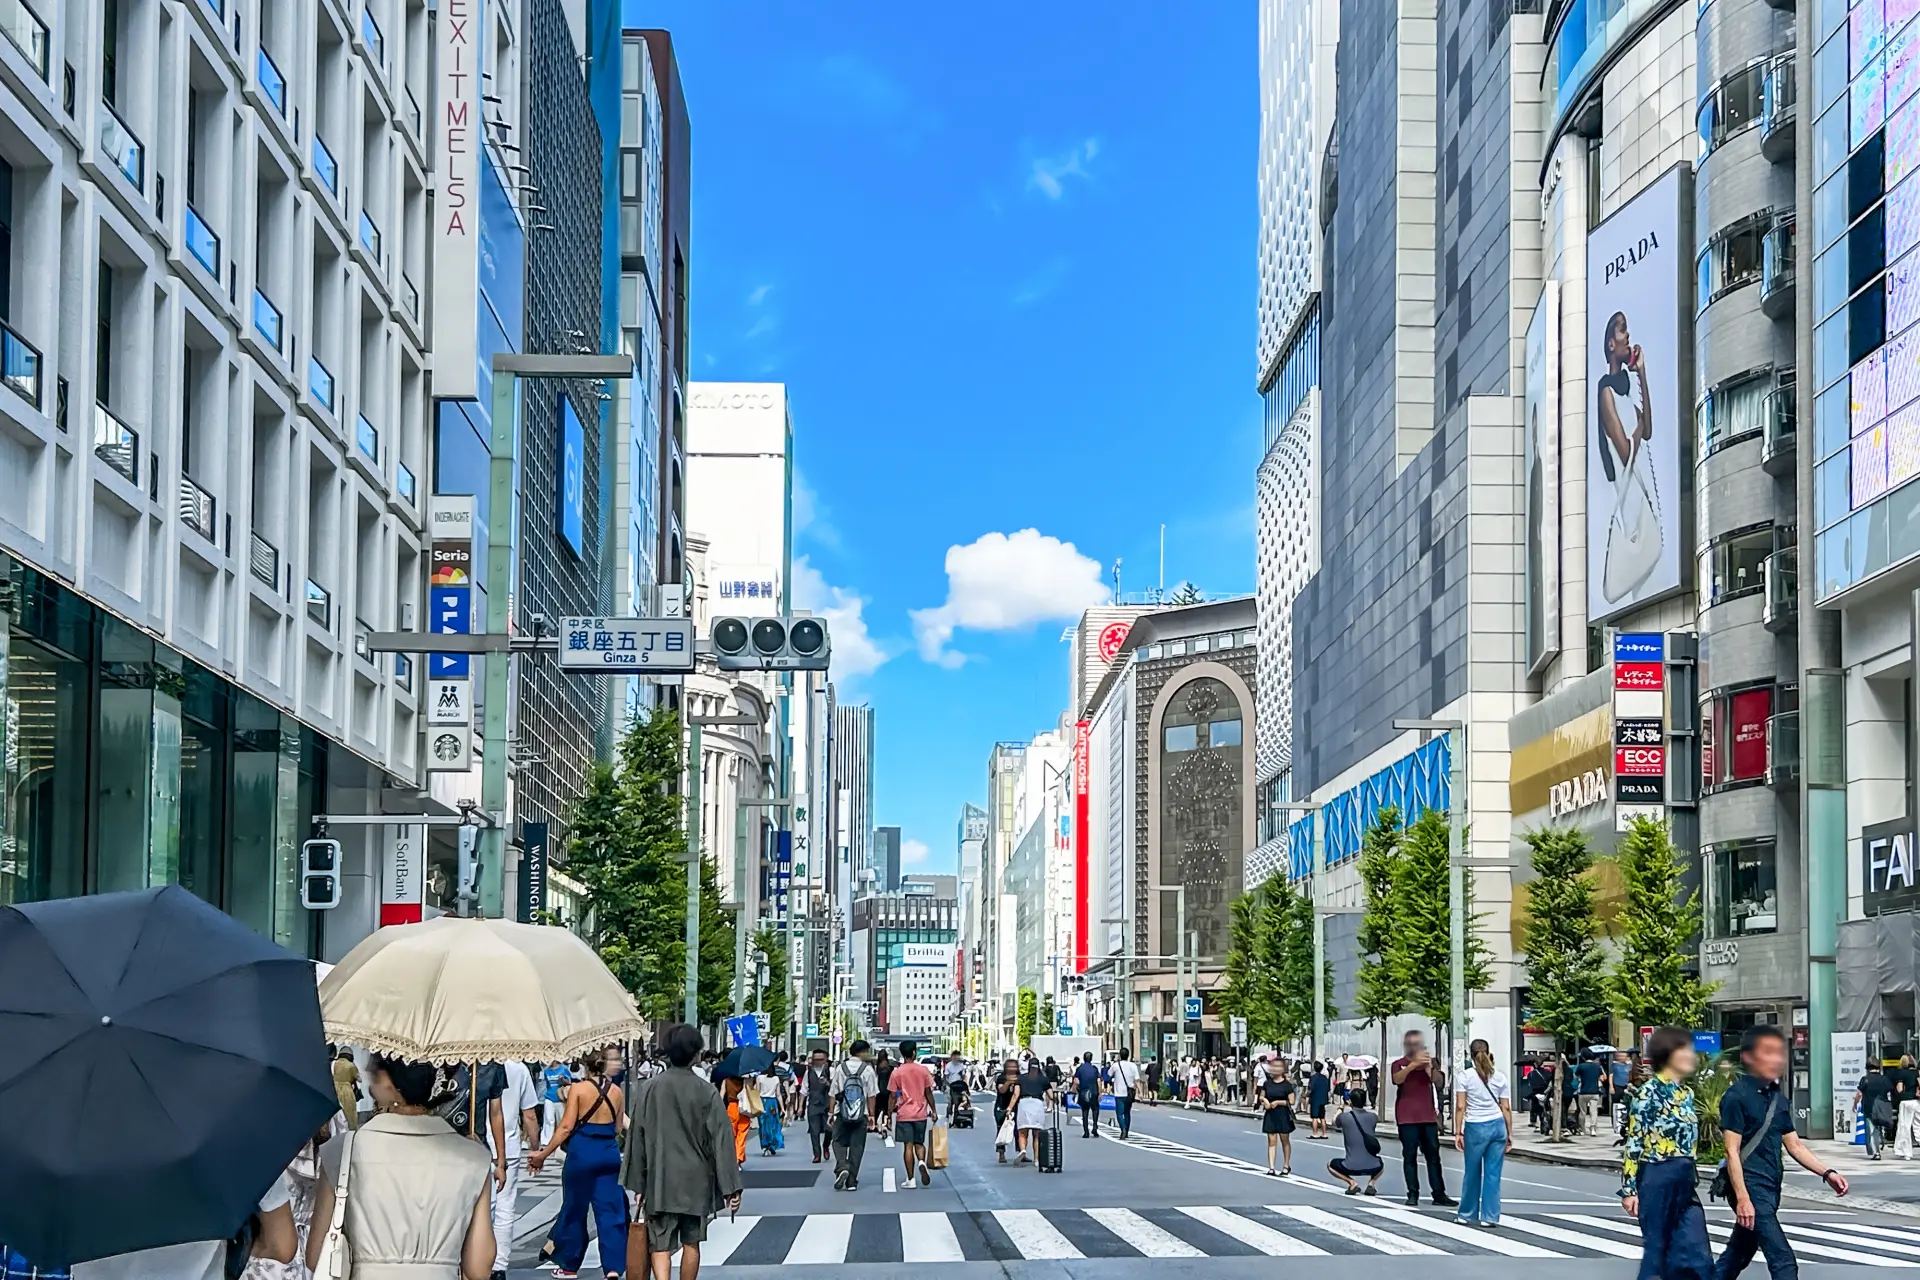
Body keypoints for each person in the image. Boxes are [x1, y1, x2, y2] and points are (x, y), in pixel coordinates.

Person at [303, 1054, 495, 1280]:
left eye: (372, 1074)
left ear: (387, 1082)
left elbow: (316, 1255)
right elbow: (478, 1269)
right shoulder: (473, 1158)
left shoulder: (342, 1151)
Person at [1716, 1025, 1849, 1280]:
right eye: (1767, 1052)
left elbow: (1795, 1145)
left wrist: (1828, 1172)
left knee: (1739, 1254)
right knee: (1783, 1261)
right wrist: (1743, 1198)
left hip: (1771, 1187)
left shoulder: (1777, 1099)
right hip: (1750, 1187)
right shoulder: (1736, 1097)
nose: (1776, 1059)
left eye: (1778, 1052)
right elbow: (1731, 1152)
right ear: (1748, 1057)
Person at [622, 1024, 743, 1280]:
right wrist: (731, 1186)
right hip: (696, 1177)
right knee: (692, 1242)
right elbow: (721, 1140)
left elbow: (638, 1136)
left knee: (660, 1241)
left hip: (660, 1176)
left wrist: (639, 1183)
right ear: (696, 1054)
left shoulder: (649, 1089)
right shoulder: (706, 1091)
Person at [1621, 1027, 1712, 1280]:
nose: (1692, 1056)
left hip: (1685, 1178)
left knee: (1698, 1255)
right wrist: (1629, 1190)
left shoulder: (1687, 1095)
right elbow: (1635, 1141)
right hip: (1657, 1175)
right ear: (1669, 1055)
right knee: (1657, 1255)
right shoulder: (1648, 1093)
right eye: (1686, 1051)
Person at [529, 1050, 628, 1280]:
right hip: (608, 1153)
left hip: (581, 1153)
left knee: (575, 1209)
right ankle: (612, 1268)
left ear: (585, 1065)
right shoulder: (616, 1091)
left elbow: (565, 1127)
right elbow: (617, 1127)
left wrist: (543, 1154)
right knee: (610, 1212)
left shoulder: (578, 1089)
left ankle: (570, 1266)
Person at [1451, 1038, 1513, 1229]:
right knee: (1493, 1174)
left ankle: (1467, 1213)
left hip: (1476, 1127)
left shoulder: (1465, 1076)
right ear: (1489, 1051)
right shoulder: (1500, 1076)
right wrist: (1509, 1134)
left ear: (1470, 1054)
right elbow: (1506, 1108)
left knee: (1472, 1172)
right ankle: (1490, 1217)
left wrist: (1458, 1132)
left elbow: (1461, 1106)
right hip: (1497, 1126)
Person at [489, 1060, 542, 1280]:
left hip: (476, 1145)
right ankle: (499, 1266)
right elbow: (529, 1114)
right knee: (505, 1209)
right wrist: (535, 1148)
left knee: (481, 1209)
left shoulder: (473, 1063)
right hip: (508, 1147)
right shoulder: (519, 1068)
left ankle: (475, 1261)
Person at [1390, 1031, 1455, 1207]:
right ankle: (1412, 1193)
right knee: (1409, 1156)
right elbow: (1396, 1080)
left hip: (1427, 1117)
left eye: (1417, 1043)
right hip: (1406, 1117)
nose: (1414, 1046)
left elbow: (1439, 1083)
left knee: (1433, 1157)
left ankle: (1439, 1194)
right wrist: (1413, 1065)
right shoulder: (1399, 1064)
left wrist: (1428, 1068)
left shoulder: (1429, 1063)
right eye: (1410, 1043)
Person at [832, 1040, 879, 1190]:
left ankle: (842, 1166)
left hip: (842, 1112)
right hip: (861, 1114)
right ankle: (851, 1181)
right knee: (856, 1147)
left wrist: (830, 1112)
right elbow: (871, 1095)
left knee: (838, 1141)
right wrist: (872, 1116)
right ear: (862, 1052)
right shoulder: (868, 1070)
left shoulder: (840, 1068)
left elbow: (833, 1092)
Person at [891, 1040, 938, 1188]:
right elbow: (928, 1092)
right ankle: (922, 1162)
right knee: (919, 1143)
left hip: (904, 1114)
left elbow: (892, 1095)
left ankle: (910, 1179)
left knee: (908, 1146)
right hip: (920, 1113)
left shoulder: (897, 1072)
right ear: (913, 1052)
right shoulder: (923, 1070)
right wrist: (934, 1110)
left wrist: (887, 1113)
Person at [1328, 1087, 1384, 1195]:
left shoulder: (1344, 1117)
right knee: (1381, 1163)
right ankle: (1371, 1183)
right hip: (1373, 1166)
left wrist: (1340, 1108)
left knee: (1330, 1164)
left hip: (1350, 1166)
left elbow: (1333, 1122)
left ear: (1350, 1101)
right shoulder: (1373, 1117)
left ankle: (1352, 1182)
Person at [1258, 1056, 1297, 1176]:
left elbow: (1291, 1101)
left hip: (1283, 1114)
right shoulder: (1267, 1083)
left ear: (1282, 1069)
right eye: (1273, 1066)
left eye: (1278, 1066)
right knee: (1271, 1141)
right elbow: (1261, 1096)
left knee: (1284, 1140)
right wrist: (1265, 1101)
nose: (1275, 1069)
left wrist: (1278, 1102)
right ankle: (1271, 1167)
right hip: (1270, 1114)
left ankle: (1286, 1165)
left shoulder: (1287, 1085)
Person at [1013, 1054, 1052, 1164]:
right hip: (1037, 1104)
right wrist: (1056, 1100)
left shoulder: (1021, 1078)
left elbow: (1016, 1094)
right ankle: (1036, 1159)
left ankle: (1023, 1150)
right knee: (1037, 1134)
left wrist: (1009, 1108)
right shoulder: (1043, 1079)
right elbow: (1051, 1095)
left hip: (1024, 1104)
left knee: (1022, 1132)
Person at [1857, 1061, 1893, 1161]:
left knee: (1872, 1130)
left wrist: (1855, 1104)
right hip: (1882, 1107)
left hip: (1869, 1107)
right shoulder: (1884, 1079)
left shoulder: (1865, 1079)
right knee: (1879, 1128)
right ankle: (1880, 1144)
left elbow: (1859, 1094)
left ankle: (1876, 1152)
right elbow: (1890, 1092)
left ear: (1867, 1068)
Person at [803, 1048, 834, 1162]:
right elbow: (804, 1090)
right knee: (814, 1131)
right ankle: (817, 1154)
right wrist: (800, 1107)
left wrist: (827, 1083)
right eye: (815, 1059)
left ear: (826, 1059)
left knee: (829, 1129)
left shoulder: (831, 1071)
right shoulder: (809, 1072)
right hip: (813, 1104)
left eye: (821, 1059)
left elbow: (836, 1088)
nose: (818, 1062)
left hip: (828, 1104)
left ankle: (826, 1145)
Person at [1108, 1048, 1141, 1139]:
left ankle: (1123, 1129)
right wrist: (1140, 1092)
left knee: (1119, 1113)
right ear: (1128, 1055)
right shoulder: (1133, 1065)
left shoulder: (1116, 1065)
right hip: (1130, 1093)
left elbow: (1109, 1074)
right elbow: (1137, 1080)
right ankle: (1126, 1131)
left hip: (1119, 1093)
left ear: (1120, 1055)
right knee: (1127, 1113)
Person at [719, 1074, 751, 1169]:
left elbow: (721, 1094)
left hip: (731, 1107)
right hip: (744, 1107)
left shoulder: (726, 1080)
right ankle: (738, 1158)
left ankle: (730, 1158)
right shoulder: (745, 1080)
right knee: (742, 1134)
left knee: (731, 1135)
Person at [993, 1059, 1020, 1163]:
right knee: (1001, 1130)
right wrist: (1008, 1082)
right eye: (1010, 1066)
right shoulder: (1001, 1077)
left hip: (1015, 1106)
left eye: (1014, 1066)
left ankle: (1020, 1152)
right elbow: (1001, 1090)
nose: (1012, 1069)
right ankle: (1001, 1153)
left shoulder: (1020, 1077)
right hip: (1001, 1106)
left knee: (1018, 1131)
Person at [756, 1061, 786, 1157]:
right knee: (773, 1124)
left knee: (763, 1124)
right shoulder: (776, 1078)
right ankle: (773, 1144)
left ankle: (765, 1145)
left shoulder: (759, 1078)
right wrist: (782, 1107)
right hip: (773, 1103)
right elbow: (778, 1094)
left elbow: (757, 1092)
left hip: (762, 1102)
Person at [1073, 1051, 1103, 1137]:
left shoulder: (1080, 1068)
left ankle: (1086, 1131)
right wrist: (1100, 1093)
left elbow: (1076, 1081)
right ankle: (1094, 1127)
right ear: (1091, 1059)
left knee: (1085, 1112)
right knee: (1095, 1110)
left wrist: (1074, 1092)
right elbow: (1098, 1081)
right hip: (1094, 1092)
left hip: (1083, 1092)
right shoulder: (1094, 1069)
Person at [331, 1047, 362, 1132]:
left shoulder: (334, 1063)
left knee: (334, 1115)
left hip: (333, 1089)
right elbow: (360, 1079)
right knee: (349, 1114)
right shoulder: (351, 1065)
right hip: (346, 1090)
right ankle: (349, 1133)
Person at [1576, 1054, 1604, 1136]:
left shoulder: (1581, 1066)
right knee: (1594, 1111)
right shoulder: (1597, 1066)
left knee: (1582, 1111)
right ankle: (1593, 1129)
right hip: (1594, 1092)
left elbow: (1576, 1077)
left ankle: (1582, 1129)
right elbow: (1601, 1077)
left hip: (1583, 1091)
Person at [872, 1050, 895, 1141]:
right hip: (888, 1091)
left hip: (878, 1091)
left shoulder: (877, 1067)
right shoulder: (890, 1067)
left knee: (877, 1109)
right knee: (887, 1110)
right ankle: (886, 1124)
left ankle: (879, 1125)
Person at [1307, 1061, 1332, 1139]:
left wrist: (1306, 1095)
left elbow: (1311, 1088)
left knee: (1314, 1117)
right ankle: (1324, 1133)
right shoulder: (1325, 1078)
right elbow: (1328, 1089)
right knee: (1322, 1117)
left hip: (1315, 1099)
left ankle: (1315, 1133)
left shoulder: (1313, 1077)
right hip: (1323, 1099)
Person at [943, 1050, 970, 1121]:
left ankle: (959, 1113)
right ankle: (948, 1112)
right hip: (950, 1084)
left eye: (957, 1056)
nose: (956, 1058)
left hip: (959, 1085)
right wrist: (948, 1085)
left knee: (961, 1099)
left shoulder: (961, 1066)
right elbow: (945, 1077)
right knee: (950, 1101)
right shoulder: (949, 1065)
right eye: (954, 1056)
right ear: (952, 1057)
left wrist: (965, 1084)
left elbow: (963, 1076)